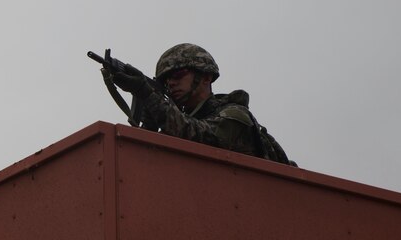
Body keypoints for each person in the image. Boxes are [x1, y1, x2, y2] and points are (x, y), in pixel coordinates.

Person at [103, 43, 292, 164]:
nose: (171, 83)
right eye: (166, 81)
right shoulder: (182, 122)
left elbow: (197, 135)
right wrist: (149, 122)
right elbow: (146, 160)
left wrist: (147, 93)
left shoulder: (235, 116)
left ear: (206, 77)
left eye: (178, 75)